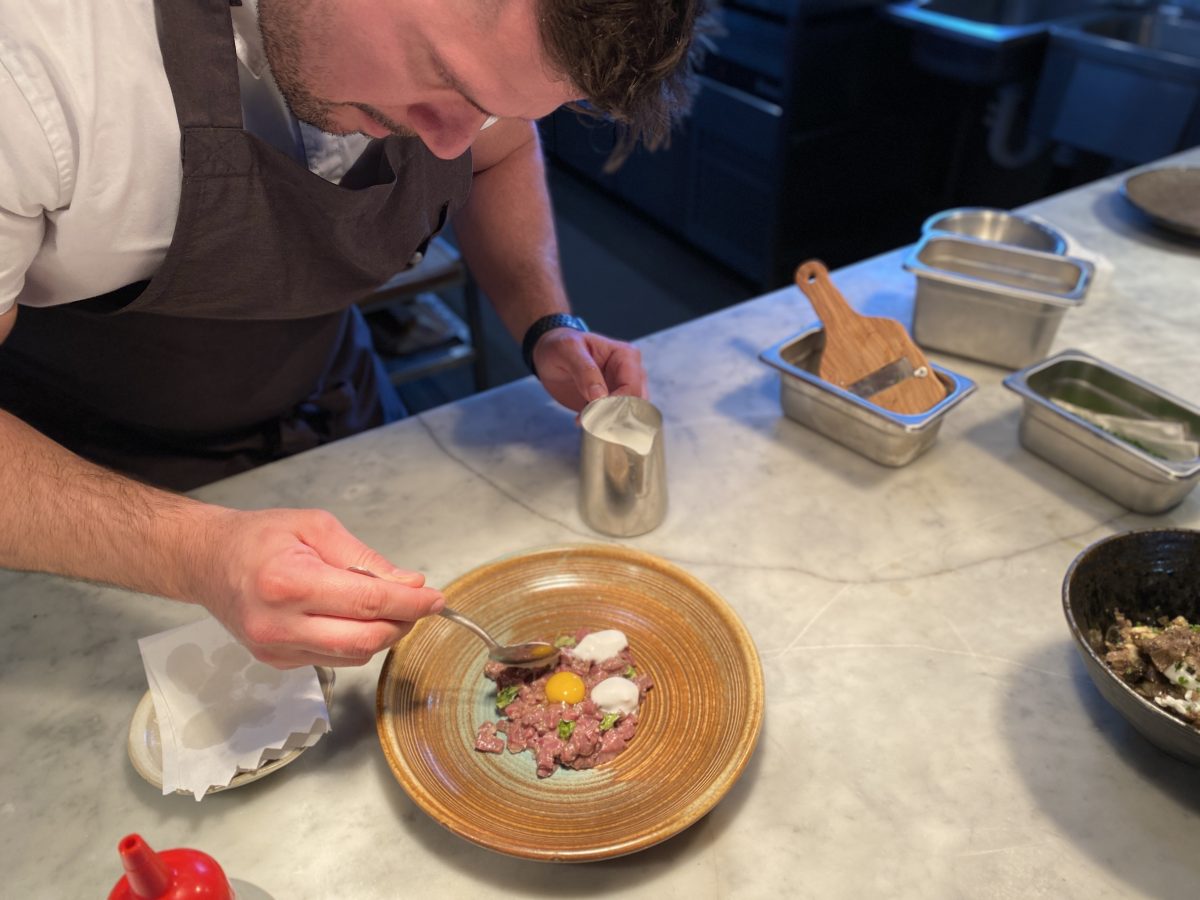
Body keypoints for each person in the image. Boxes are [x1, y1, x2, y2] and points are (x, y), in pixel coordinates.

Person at [0, 0, 707, 668]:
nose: (451, 138)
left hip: (340, 410)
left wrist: (545, 322)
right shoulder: (38, 65)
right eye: (447, 80)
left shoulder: (472, 72)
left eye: (489, 106)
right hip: (89, 498)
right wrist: (195, 553)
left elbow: (498, 153)